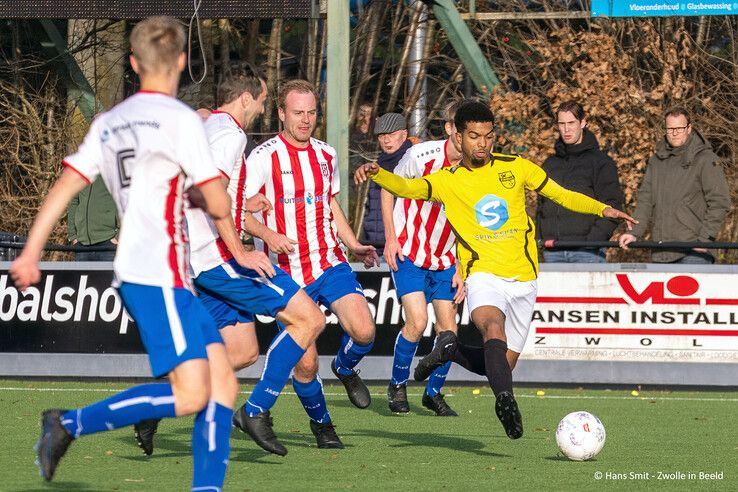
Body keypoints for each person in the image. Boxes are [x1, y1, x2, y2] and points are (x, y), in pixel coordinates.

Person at [10, 16, 250, 489]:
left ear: (135, 63)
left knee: (222, 383)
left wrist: (30, 252)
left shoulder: (109, 121)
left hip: (150, 274)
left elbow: (66, 185)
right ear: (182, 61)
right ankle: (69, 423)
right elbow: (220, 200)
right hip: (159, 276)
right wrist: (204, 196)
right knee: (192, 395)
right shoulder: (182, 119)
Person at [355, 101, 636, 440]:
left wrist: (603, 209)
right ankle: (505, 402)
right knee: (491, 327)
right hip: (483, 273)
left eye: (488, 136)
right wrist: (378, 173)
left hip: (525, 278)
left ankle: (451, 349)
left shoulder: (516, 167)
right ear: (459, 136)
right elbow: (408, 189)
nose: (482, 144)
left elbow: (562, 195)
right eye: (474, 136)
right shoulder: (448, 179)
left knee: (502, 363)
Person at [131, 64, 329, 458]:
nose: (261, 106)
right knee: (310, 319)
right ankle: (254, 412)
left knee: (241, 352)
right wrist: (240, 251)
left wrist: (243, 205)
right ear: (244, 98)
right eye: (261, 99)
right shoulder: (231, 134)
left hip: (192, 257)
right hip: (216, 256)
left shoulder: (206, 127)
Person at [241, 79, 380, 453]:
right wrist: (268, 235)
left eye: (311, 113)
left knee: (365, 331)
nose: (305, 120)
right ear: (281, 113)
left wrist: (353, 244)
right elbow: (238, 212)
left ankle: (347, 368)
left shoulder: (326, 154)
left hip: (328, 261)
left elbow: (330, 205)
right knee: (305, 365)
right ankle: (322, 426)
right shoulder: (262, 157)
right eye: (297, 112)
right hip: (285, 272)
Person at [382, 101, 465, 416]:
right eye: (463, 131)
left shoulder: (478, 169)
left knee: (449, 332)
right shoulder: (421, 155)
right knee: (417, 323)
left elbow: (473, 223)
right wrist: (390, 238)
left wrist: (462, 266)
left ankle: (433, 393)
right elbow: (388, 189)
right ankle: (398, 385)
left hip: (445, 259)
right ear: (449, 128)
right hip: (410, 252)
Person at [619, 107, 730, 263]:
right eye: (671, 128)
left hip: (695, 251)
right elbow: (645, 200)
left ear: (689, 128)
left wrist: (705, 239)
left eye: (679, 128)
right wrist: (634, 233)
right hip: (661, 249)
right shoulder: (656, 161)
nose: (675, 132)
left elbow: (720, 202)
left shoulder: (705, 159)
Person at [536, 101, 624, 263]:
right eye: (562, 124)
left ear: (583, 122)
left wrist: (592, 241)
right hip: (552, 251)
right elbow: (541, 206)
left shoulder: (601, 163)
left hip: (587, 252)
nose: (566, 129)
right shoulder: (550, 164)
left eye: (571, 123)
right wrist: (540, 238)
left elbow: (613, 207)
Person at [361, 112, 413, 250]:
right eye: (382, 135)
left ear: (404, 134)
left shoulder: (414, 165)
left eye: (392, 134)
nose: (386, 140)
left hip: (406, 248)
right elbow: (371, 209)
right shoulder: (378, 166)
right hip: (375, 246)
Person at [67, 177, 119, 261]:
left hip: (108, 243)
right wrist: (73, 236)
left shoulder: (111, 169)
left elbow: (125, 200)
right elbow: (74, 202)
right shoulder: (82, 172)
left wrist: (118, 236)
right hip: (82, 244)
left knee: (106, 274)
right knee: (82, 274)